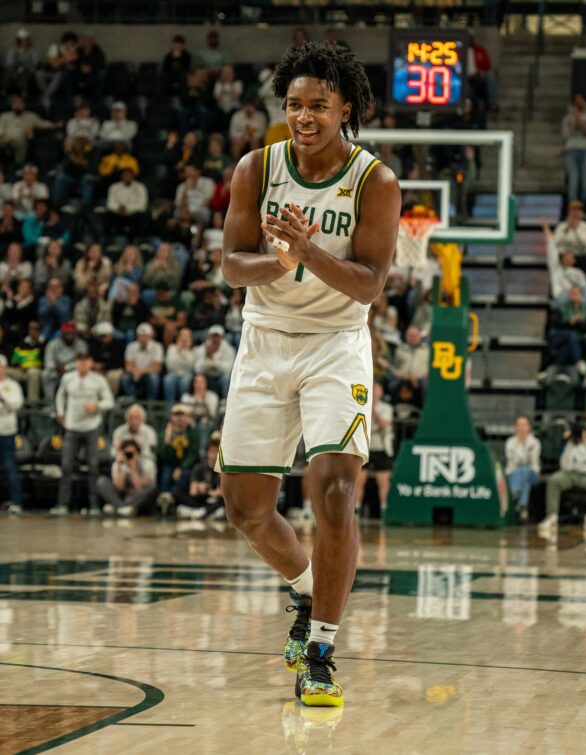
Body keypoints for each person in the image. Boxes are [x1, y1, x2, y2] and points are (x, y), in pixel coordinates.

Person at [218, 42, 400, 707]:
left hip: (335, 344)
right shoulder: (256, 168)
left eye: (318, 105)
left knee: (332, 492)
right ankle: (304, 585)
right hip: (264, 341)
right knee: (246, 509)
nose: (303, 116)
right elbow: (233, 264)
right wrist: (281, 261)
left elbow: (370, 285)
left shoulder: (373, 181)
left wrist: (309, 251)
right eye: (294, 105)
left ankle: (321, 648)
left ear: (344, 108)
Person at [50, 351, 114, 516]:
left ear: (91, 362)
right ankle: (62, 503)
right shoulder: (68, 378)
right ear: (76, 362)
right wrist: (60, 412)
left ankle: (94, 504)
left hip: (92, 427)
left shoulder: (98, 380)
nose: (83, 364)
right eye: (80, 361)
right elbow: (60, 396)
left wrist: (97, 406)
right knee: (66, 466)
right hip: (72, 427)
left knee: (93, 467)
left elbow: (109, 401)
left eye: (86, 361)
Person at [538, 413, 586, 537]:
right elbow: (564, 464)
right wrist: (571, 442)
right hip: (570, 474)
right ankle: (552, 516)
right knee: (554, 479)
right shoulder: (573, 443)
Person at [353, 382, 394, 519]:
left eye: (377, 390)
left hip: (380, 447)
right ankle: (356, 510)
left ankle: (385, 510)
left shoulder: (386, 408)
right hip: (365, 446)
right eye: (373, 390)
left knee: (383, 481)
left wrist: (372, 411)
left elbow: (385, 425)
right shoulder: (361, 404)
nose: (375, 393)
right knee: (359, 480)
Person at [97, 438, 157, 517]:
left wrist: (133, 468)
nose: (129, 456)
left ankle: (117, 507)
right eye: (126, 454)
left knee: (152, 489)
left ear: (138, 453)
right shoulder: (118, 464)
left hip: (138, 499)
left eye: (131, 453)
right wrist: (119, 466)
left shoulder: (147, 464)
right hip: (123, 496)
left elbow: (138, 487)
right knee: (102, 481)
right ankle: (123, 508)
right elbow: (119, 487)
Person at [156, 403, 200, 510]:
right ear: (172, 417)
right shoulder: (164, 434)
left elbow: (193, 454)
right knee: (165, 474)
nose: (179, 418)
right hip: (170, 464)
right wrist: (167, 439)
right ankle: (163, 501)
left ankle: (175, 501)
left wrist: (181, 467)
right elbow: (162, 455)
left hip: (186, 466)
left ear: (187, 417)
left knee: (184, 475)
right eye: (176, 415)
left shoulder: (192, 432)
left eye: (182, 415)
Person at [174, 436, 224, 520]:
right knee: (177, 492)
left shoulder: (223, 469)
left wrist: (216, 492)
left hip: (216, 500)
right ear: (207, 453)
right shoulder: (199, 468)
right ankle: (206, 512)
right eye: (212, 452)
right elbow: (192, 491)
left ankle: (198, 512)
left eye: (217, 452)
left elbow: (224, 493)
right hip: (202, 499)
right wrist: (199, 487)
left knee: (224, 502)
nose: (214, 455)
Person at [505, 415, 541, 522]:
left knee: (525, 470)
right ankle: (523, 507)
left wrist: (524, 444)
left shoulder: (535, 442)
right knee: (525, 480)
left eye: (524, 425)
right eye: (519, 425)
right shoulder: (510, 442)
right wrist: (521, 445)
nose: (522, 428)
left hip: (532, 473)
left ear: (529, 427)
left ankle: (515, 492)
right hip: (512, 472)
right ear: (516, 427)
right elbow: (513, 461)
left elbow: (531, 462)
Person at [562, 95, 586, 205]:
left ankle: (584, 207)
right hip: (571, 151)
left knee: (585, 182)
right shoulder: (568, 118)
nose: (579, 103)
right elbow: (567, 134)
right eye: (577, 101)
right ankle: (572, 207)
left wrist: (579, 119)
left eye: (581, 101)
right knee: (573, 181)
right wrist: (574, 119)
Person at [0, 354, 24, 513]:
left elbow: (16, 404)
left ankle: (17, 502)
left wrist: (3, 400)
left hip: (7, 432)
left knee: (10, 467)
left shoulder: (12, 385)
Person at [41, 320, 88, 401]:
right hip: (56, 370)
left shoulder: (81, 345)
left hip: (73, 371)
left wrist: (66, 367)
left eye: (72, 332)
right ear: (62, 333)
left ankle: (73, 402)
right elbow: (48, 360)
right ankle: (49, 402)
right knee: (45, 375)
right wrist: (55, 367)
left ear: (75, 333)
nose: (70, 335)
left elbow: (82, 362)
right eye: (67, 332)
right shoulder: (53, 344)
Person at [122, 323, 163, 400]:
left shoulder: (157, 347)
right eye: (140, 336)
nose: (142, 339)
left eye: (145, 336)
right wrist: (135, 371)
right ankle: (132, 400)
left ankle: (151, 403)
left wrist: (140, 372)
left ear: (151, 337)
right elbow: (128, 366)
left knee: (153, 378)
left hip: (148, 373)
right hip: (135, 373)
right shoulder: (131, 346)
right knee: (125, 378)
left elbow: (157, 368)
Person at [552, 201, 586, 275]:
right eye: (573, 212)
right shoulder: (562, 226)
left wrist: (576, 230)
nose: (575, 214)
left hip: (580, 256)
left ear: (581, 214)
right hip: (564, 256)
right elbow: (557, 242)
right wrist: (567, 229)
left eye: (577, 212)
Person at [105, 167, 148, 239]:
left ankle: (140, 240)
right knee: (107, 215)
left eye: (129, 175)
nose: (128, 177)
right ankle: (107, 240)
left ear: (133, 176)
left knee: (142, 216)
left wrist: (127, 209)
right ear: (121, 176)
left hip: (134, 213)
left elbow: (142, 204)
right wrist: (118, 209)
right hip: (118, 213)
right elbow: (110, 203)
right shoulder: (114, 187)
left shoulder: (140, 187)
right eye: (125, 175)